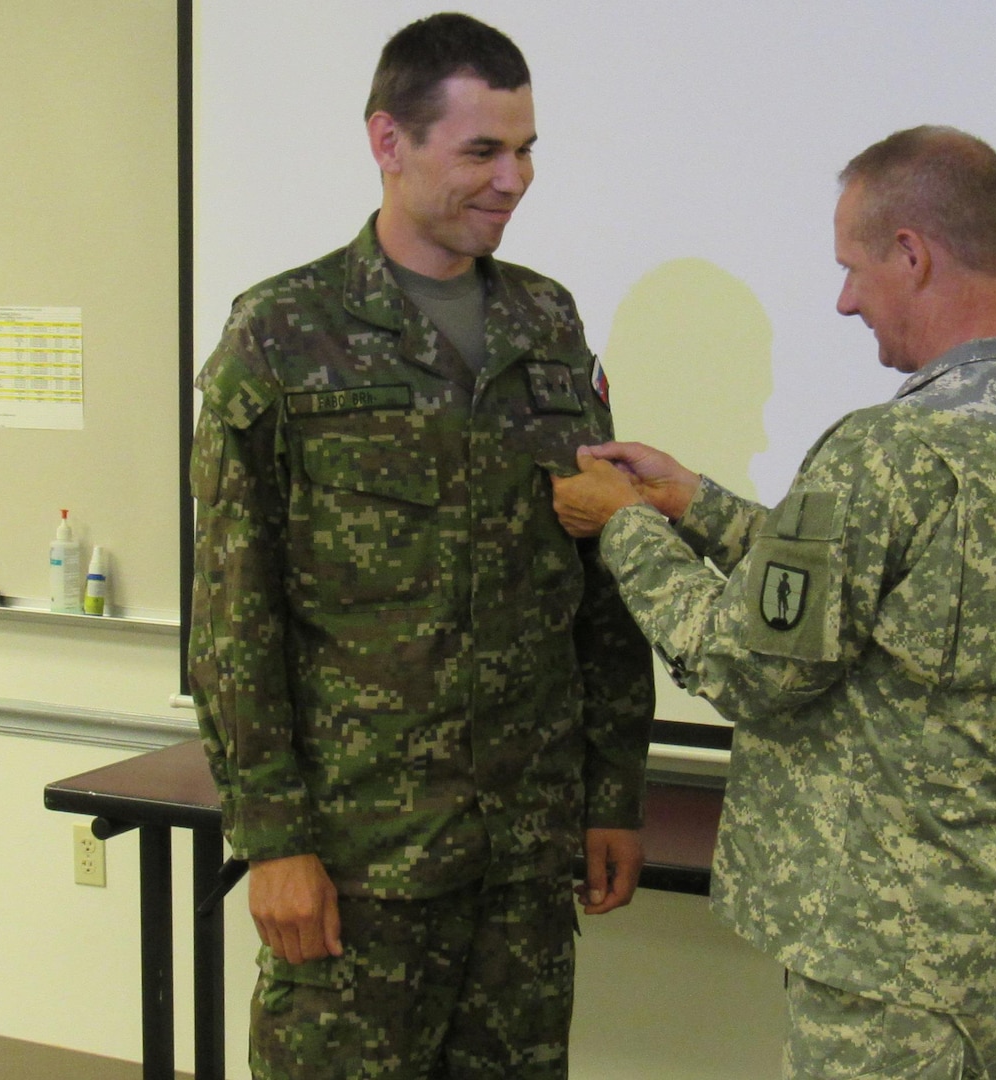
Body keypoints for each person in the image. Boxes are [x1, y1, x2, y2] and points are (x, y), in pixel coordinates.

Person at [552, 127, 996, 1080]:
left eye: (853, 268)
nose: (844, 299)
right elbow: (873, 585)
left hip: (886, 960)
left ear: (911, 252)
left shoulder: (889, 451)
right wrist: (695, 502)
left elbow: (751, 663)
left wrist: (623, 530)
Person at [187, 14, 654, 1079]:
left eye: (526, 148)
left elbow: (598, 579)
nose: (514, 179)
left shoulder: (548, 323)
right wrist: (274, 840)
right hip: (361, 860)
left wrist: (610, 787)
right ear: (387, 142)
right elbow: (234, 608)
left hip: (523, 859)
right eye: (482, 150)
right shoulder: (282, 335)